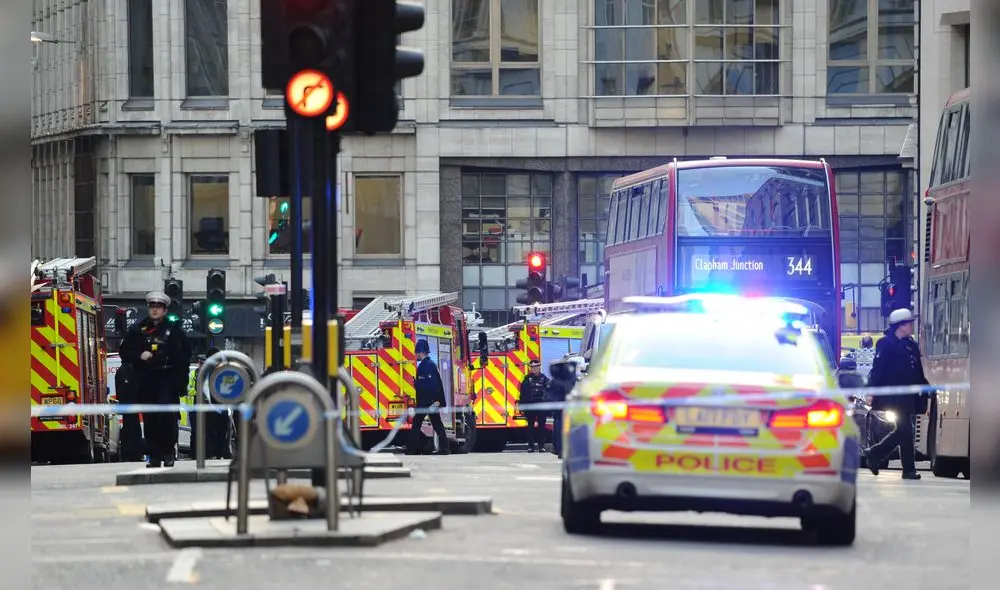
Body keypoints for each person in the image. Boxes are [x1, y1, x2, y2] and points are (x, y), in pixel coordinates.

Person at [118, 291, 192, 468]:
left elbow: (184, 357)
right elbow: (125, 352)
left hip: (167, 380)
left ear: (165, 310)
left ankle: (168, 452)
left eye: (158, 307)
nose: (155, 310)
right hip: (146, 380)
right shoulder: (138, 330)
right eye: (152, 307)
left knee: (166, 417)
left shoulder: (174, 331)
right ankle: (154, 455)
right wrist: (139, 355)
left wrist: (179, 383)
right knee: (150, 419)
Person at [862, 308, 928, 480]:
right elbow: (877, 370)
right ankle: (907, 469)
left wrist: (926, 387)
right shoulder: (885, 344)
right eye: (909, 323)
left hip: (908, 395)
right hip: (892, 395)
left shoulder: (911, 345)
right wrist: (871, 391)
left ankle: (874, 454)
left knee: (904, 431)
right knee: (906, 429)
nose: (912, 326)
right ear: (900, 326)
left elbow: (917, 370)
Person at [405, 339, 450, 456]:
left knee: (417, 424)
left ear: (421, 352)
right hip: (430, 402)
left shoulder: (427, 366)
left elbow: (431, 385)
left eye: (416, 353)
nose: (416, 355)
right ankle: (445, 449)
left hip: (427, 402)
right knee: (437, 425)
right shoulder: (429, 364)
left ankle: (411, 449)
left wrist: (417, 384)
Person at [189, 347, 233, 459]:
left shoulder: (205, 371)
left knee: (212, 431)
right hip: (211, 406)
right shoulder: (210, 371)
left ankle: (216, 453)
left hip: (209, 406)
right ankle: (216, 453)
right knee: (216, 431)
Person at [546, 358, 578, 458]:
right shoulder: (556, 382)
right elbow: (550, 397)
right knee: (560, 431)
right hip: (561, 412)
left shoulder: (574, 381)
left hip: (568, 412)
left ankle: (562, 450)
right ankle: (560, 450)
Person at [114, 360, 145, 461]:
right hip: (131, 404)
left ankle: (130, 453)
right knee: (133, 429)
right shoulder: (130, 370)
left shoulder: (121, 371)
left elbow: (119, 391)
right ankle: (134, 453)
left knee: (130, 428)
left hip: (126, 405)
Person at [520, 359, 550, 453]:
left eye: (536, 367)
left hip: (541, 406)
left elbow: (549, 394)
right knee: (530, 427)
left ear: (539, 367)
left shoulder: (545, 379)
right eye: (532, 367)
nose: (534, 369)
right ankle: (531, 446)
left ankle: (541, 446)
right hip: (530, 406)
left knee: (542, 427)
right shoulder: (526, 379)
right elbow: (523, 394)